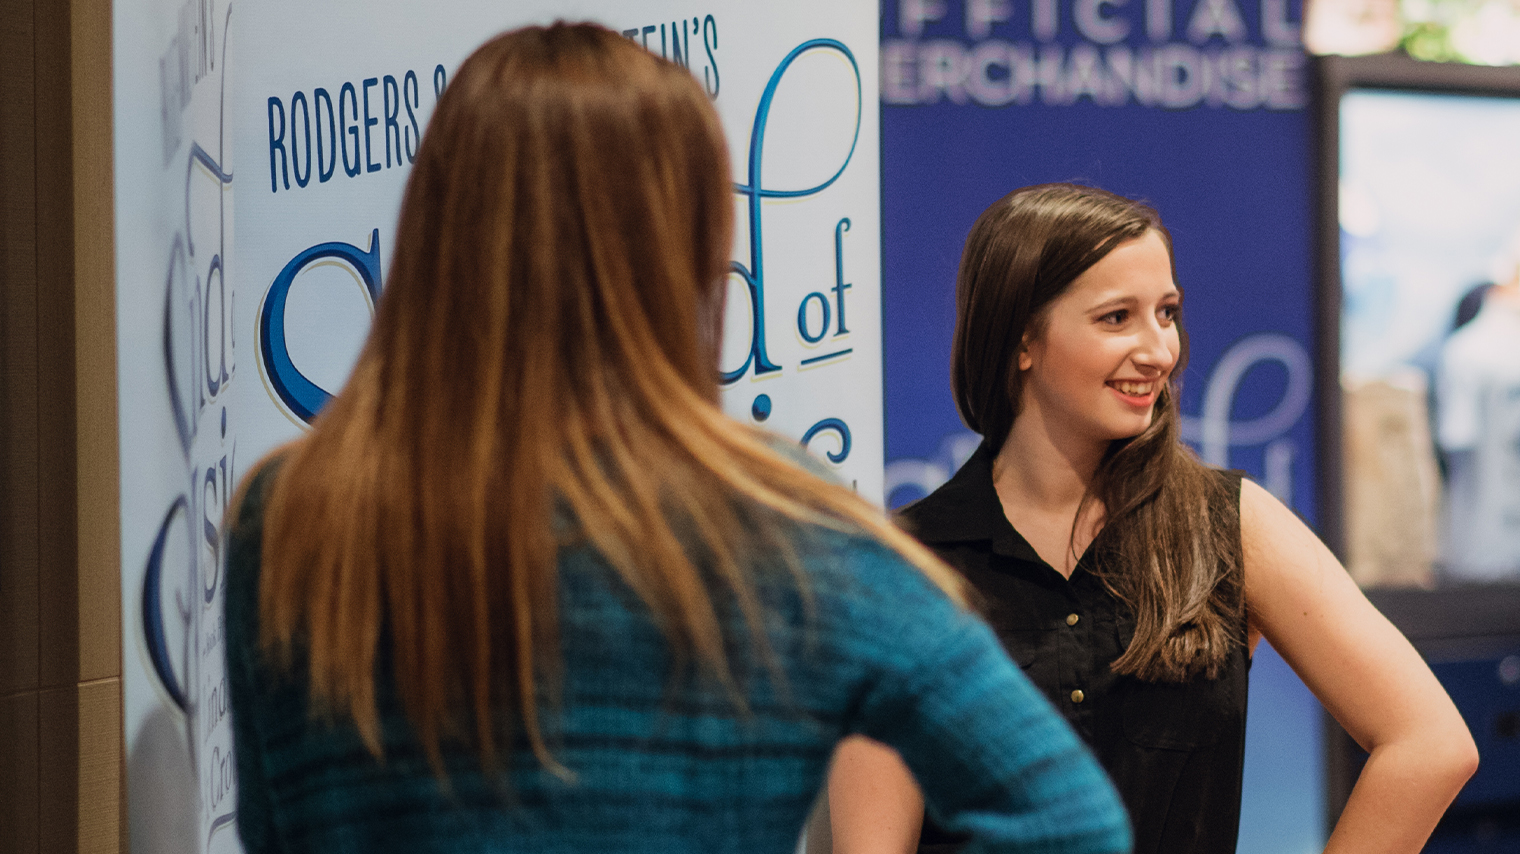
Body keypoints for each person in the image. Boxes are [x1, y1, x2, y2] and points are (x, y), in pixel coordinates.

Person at [224, 24, 1128, 854]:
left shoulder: (291, 514)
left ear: (438, 226)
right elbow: (1068, 822)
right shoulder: (777, 519)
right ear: (686, 246)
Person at [831, 184, 1478, 854]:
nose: (1159, 350)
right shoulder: (902, 568)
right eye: (1117, 318)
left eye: (1166, 313)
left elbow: (1429, 744)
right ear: (1022, 338)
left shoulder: (1227, 525)